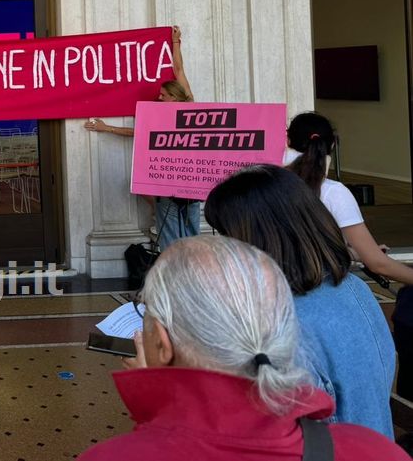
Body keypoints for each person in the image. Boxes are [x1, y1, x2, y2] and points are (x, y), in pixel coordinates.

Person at [80, 234, 405, 461]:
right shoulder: (376, 451)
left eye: (144, 309)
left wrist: (154, 409)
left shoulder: (109, 457)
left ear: (163, 345)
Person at [205, 165, 396, 437]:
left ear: (257, 239)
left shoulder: (282, 324)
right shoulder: (353, 288)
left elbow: (258, 432)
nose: (224, 249)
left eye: (226, 236)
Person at [84, 25, 196, 249]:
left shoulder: (188, 109)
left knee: (176, 232)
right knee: (146, 192)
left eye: (163, 95)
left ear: (174, 98)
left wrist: (108, 129)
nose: (159, 97)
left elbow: (179, 70)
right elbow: (179, 69)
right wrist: (175, 43)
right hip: (181, 180)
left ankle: (180, 266)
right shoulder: (184, 107)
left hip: (181, 180)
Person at [285, 111, 413, 286]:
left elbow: (296, 247)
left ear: (288, 141)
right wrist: (367, 254)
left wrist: (355, 253)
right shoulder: (334, 193)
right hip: (316, 288)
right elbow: (378, 264)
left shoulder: (264, 184)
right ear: (332, 145)